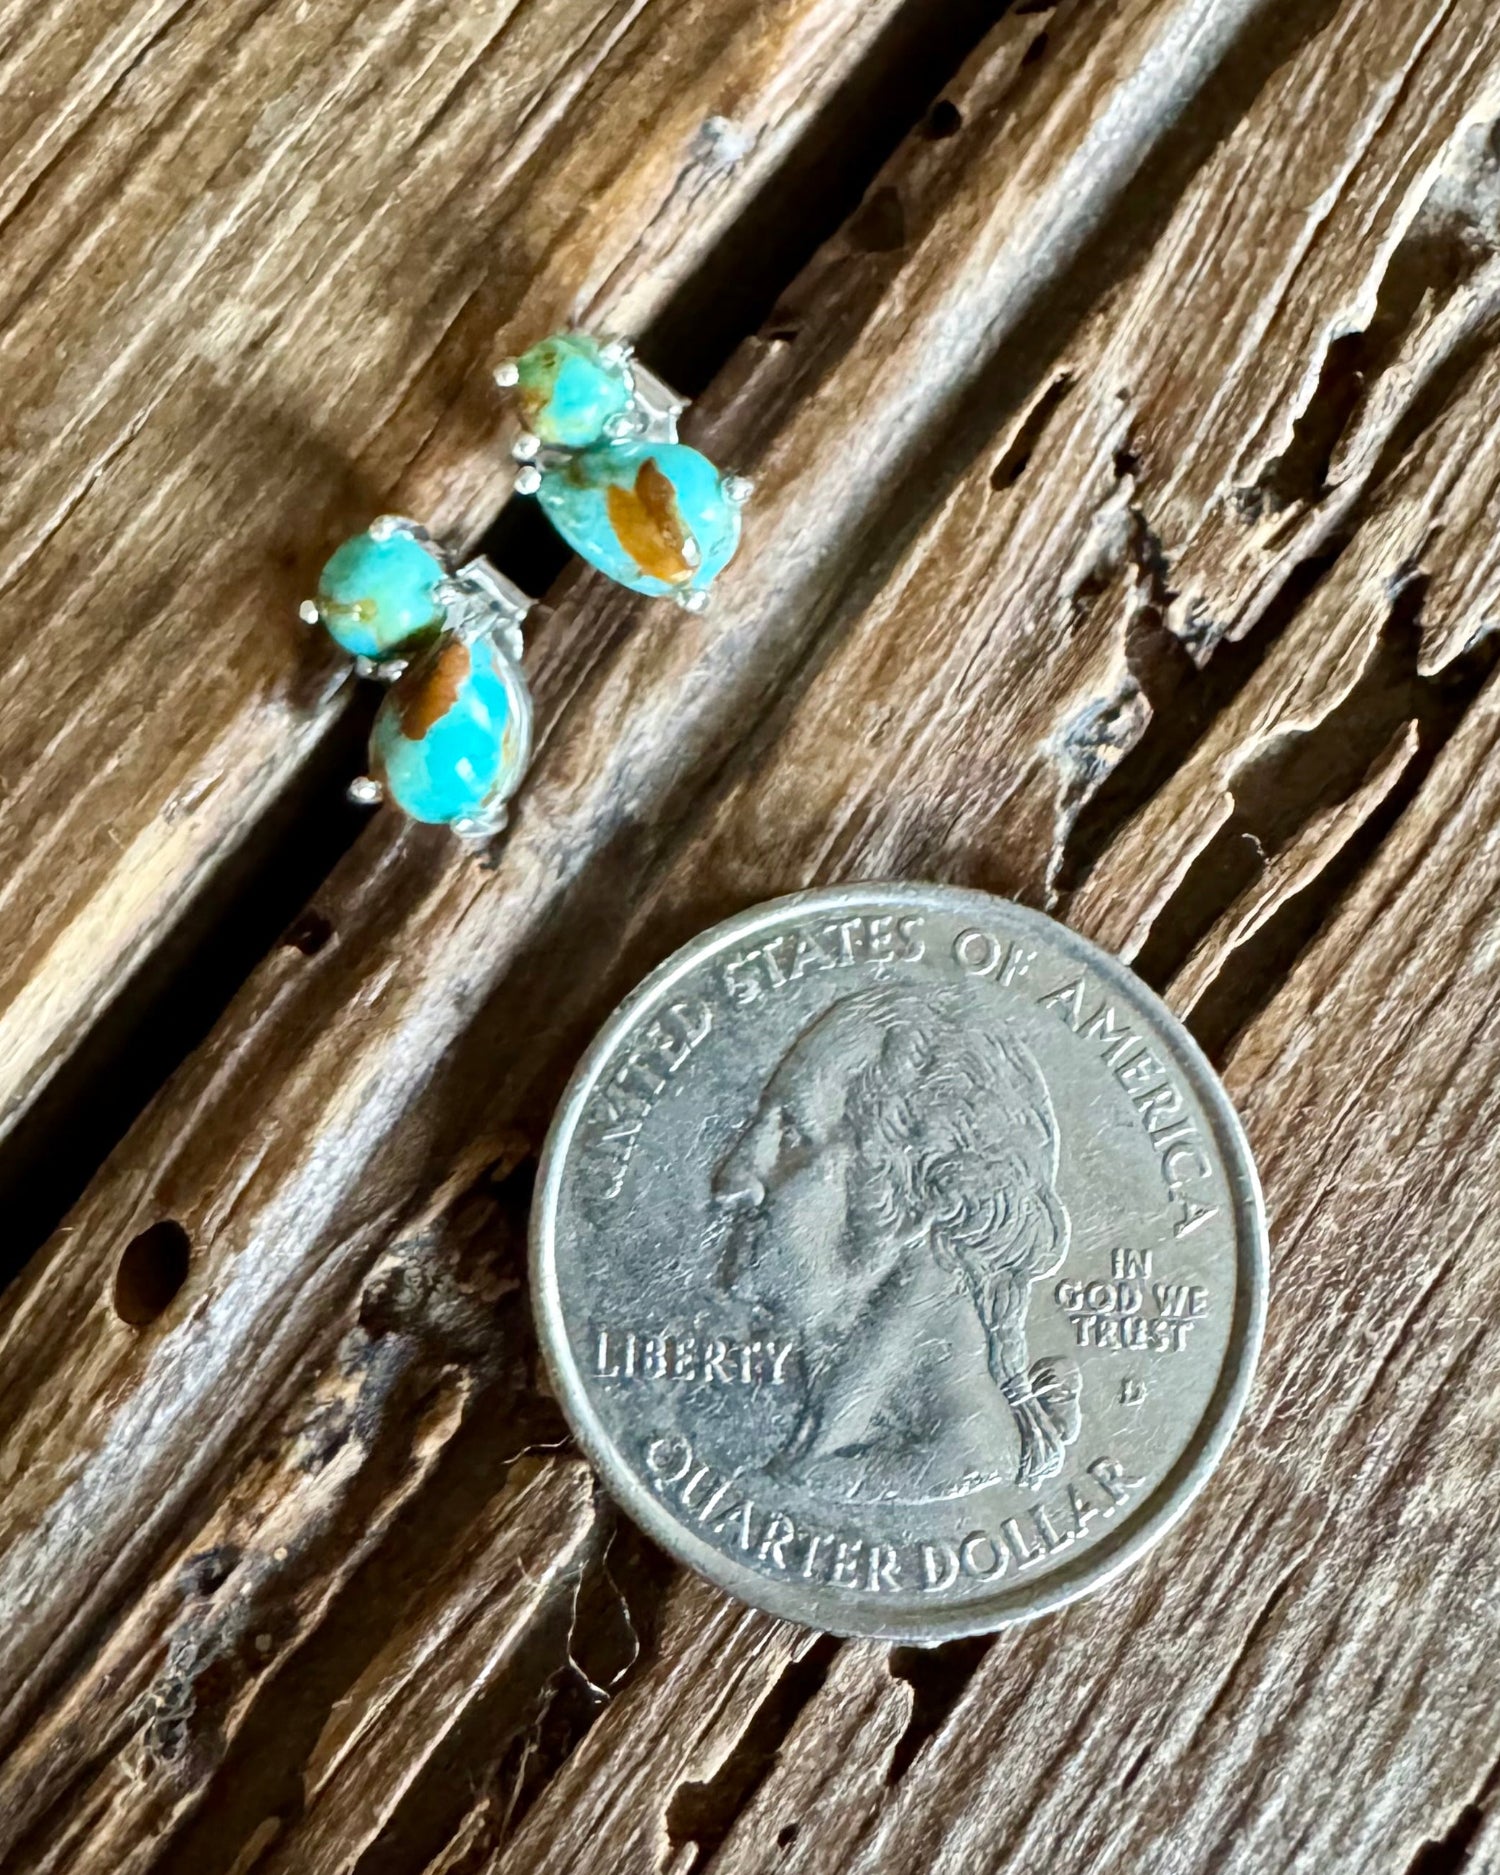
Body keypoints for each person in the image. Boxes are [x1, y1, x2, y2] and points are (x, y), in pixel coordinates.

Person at [712, 983, 1081, 1503]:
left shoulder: (955, 1463)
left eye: (791, 1138)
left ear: (916, 1196)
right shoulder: (827, 1461)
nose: (733, 1180)